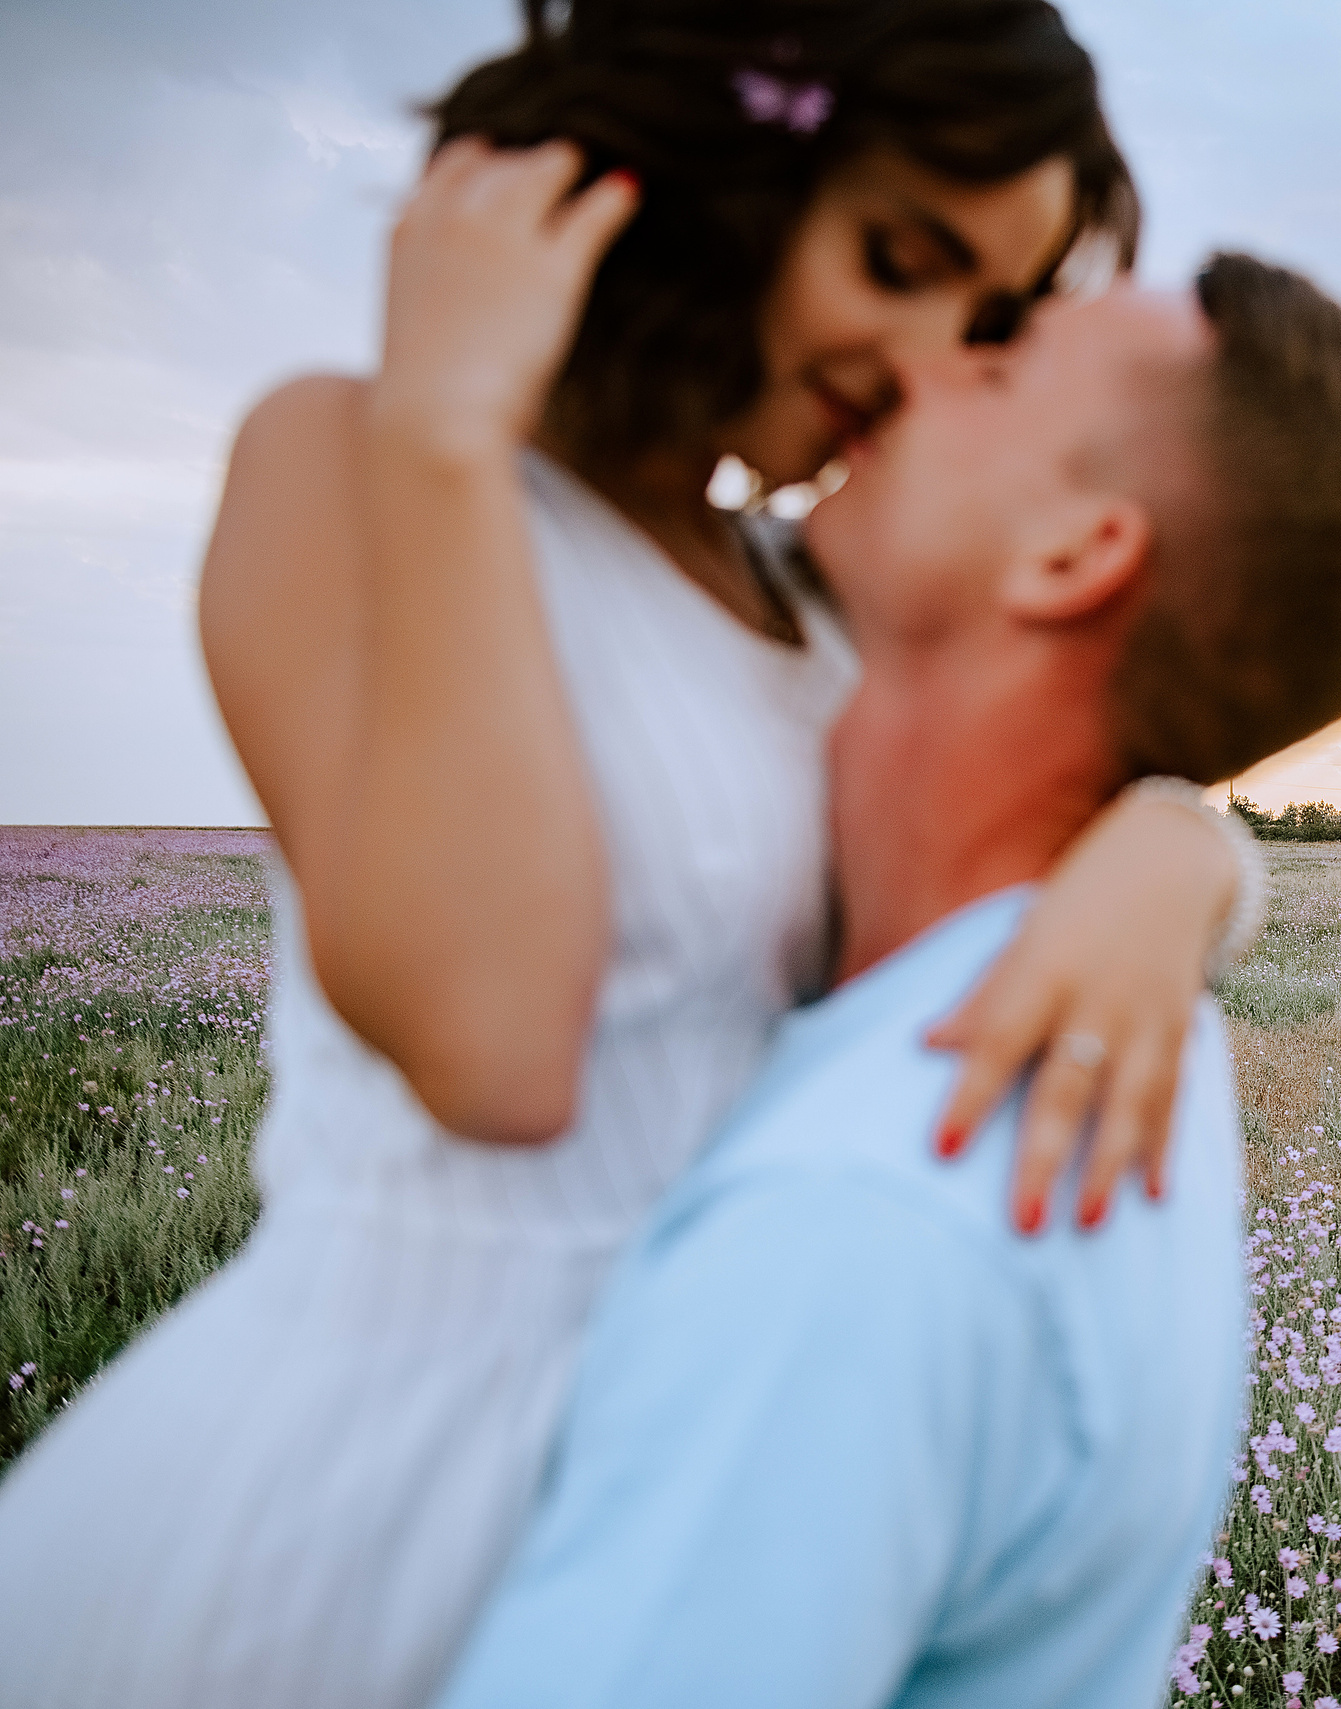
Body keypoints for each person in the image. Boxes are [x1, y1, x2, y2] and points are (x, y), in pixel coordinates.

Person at [0, 5, 1255, 1705]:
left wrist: (1181, 852)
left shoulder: (805, 589)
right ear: (724, 174)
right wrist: (449, 431)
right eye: (897, 256)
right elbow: (500, 1045)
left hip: (703, 1496)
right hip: (344, 1514)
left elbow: (1002, 791)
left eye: (983, 318)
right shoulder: (338, 458)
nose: (921, 357)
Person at [437, 251, 1341, 1708]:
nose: (908, 362)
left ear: (1071, 555)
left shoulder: (868, 1218)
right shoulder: (1111, 1032)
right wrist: (1188, 838)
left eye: (995, 360)